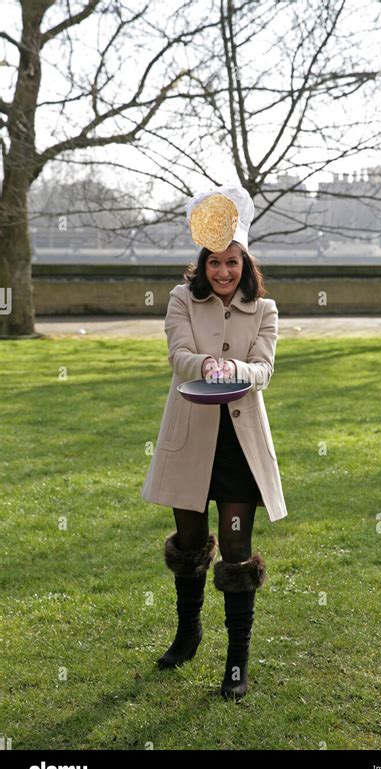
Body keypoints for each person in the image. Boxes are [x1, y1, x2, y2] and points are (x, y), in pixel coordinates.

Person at [141, 185, 287, 700]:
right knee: (187, 544)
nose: (222, 272)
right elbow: (178, 354)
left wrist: (237, 369)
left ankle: (237, 661)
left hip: (239, 447)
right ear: (202, 264)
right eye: (214, 263)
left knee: (236, 548)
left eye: (232, 263)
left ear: (244, 264)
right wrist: (207, 365)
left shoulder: (264, 309)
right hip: (189, 437)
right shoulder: (182, 299)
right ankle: (188, 633)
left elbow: (264, 370)